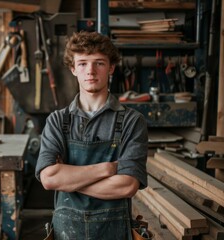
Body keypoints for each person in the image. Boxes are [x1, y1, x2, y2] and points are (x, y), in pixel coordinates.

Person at [35, 31, 148, 240]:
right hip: (65, 233)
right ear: (73, 69)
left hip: (114, 232)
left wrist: (68, 180)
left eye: (99, 63)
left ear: (111, 68)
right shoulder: (58, 121)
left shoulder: (132, 122)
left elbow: (127, 185)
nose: (91, 71)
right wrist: (108, 168)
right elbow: (49, 178)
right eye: (83, 63)